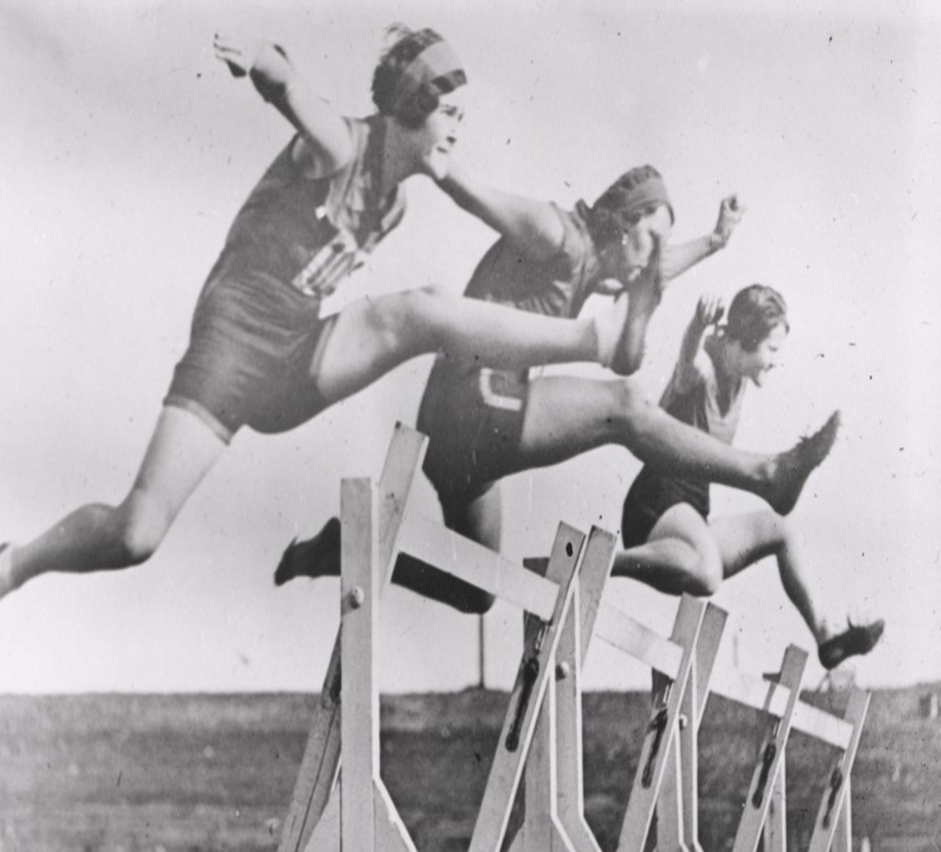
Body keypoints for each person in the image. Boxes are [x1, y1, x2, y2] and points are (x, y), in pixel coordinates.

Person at [0, 25, 647, 639]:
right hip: (231, 342)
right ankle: (13, 565)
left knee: (419, 313)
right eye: (451, 113)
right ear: (414, 109)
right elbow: (291, 90)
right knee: (137, 533)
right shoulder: (342, 147)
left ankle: (588, 344)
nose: (460, 130)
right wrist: (261, 61)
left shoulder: (395, 205)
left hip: (296, 357)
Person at [274, 166, 840, 613]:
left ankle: (344, 547)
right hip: (472, 402)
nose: (655, 257)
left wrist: (715, 242)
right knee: (626, 407)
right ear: (622, 222)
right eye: (651, 237)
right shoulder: (558, 233)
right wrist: (437, 166)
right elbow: (484, 201)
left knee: (477, 591)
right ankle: (766, 474)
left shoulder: (594, 264)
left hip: (464, 442)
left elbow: (655, 270)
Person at [612, 286, 883, 669]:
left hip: (691, 514)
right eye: (771, 350)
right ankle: (605, 561)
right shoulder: (706, 366)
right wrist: (695, 326)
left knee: (781, 529)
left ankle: (827, 635)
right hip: (654, 505)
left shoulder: (739, 381)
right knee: (707, 573)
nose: (775, 362)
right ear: (743, 341)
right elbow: (687, 365)